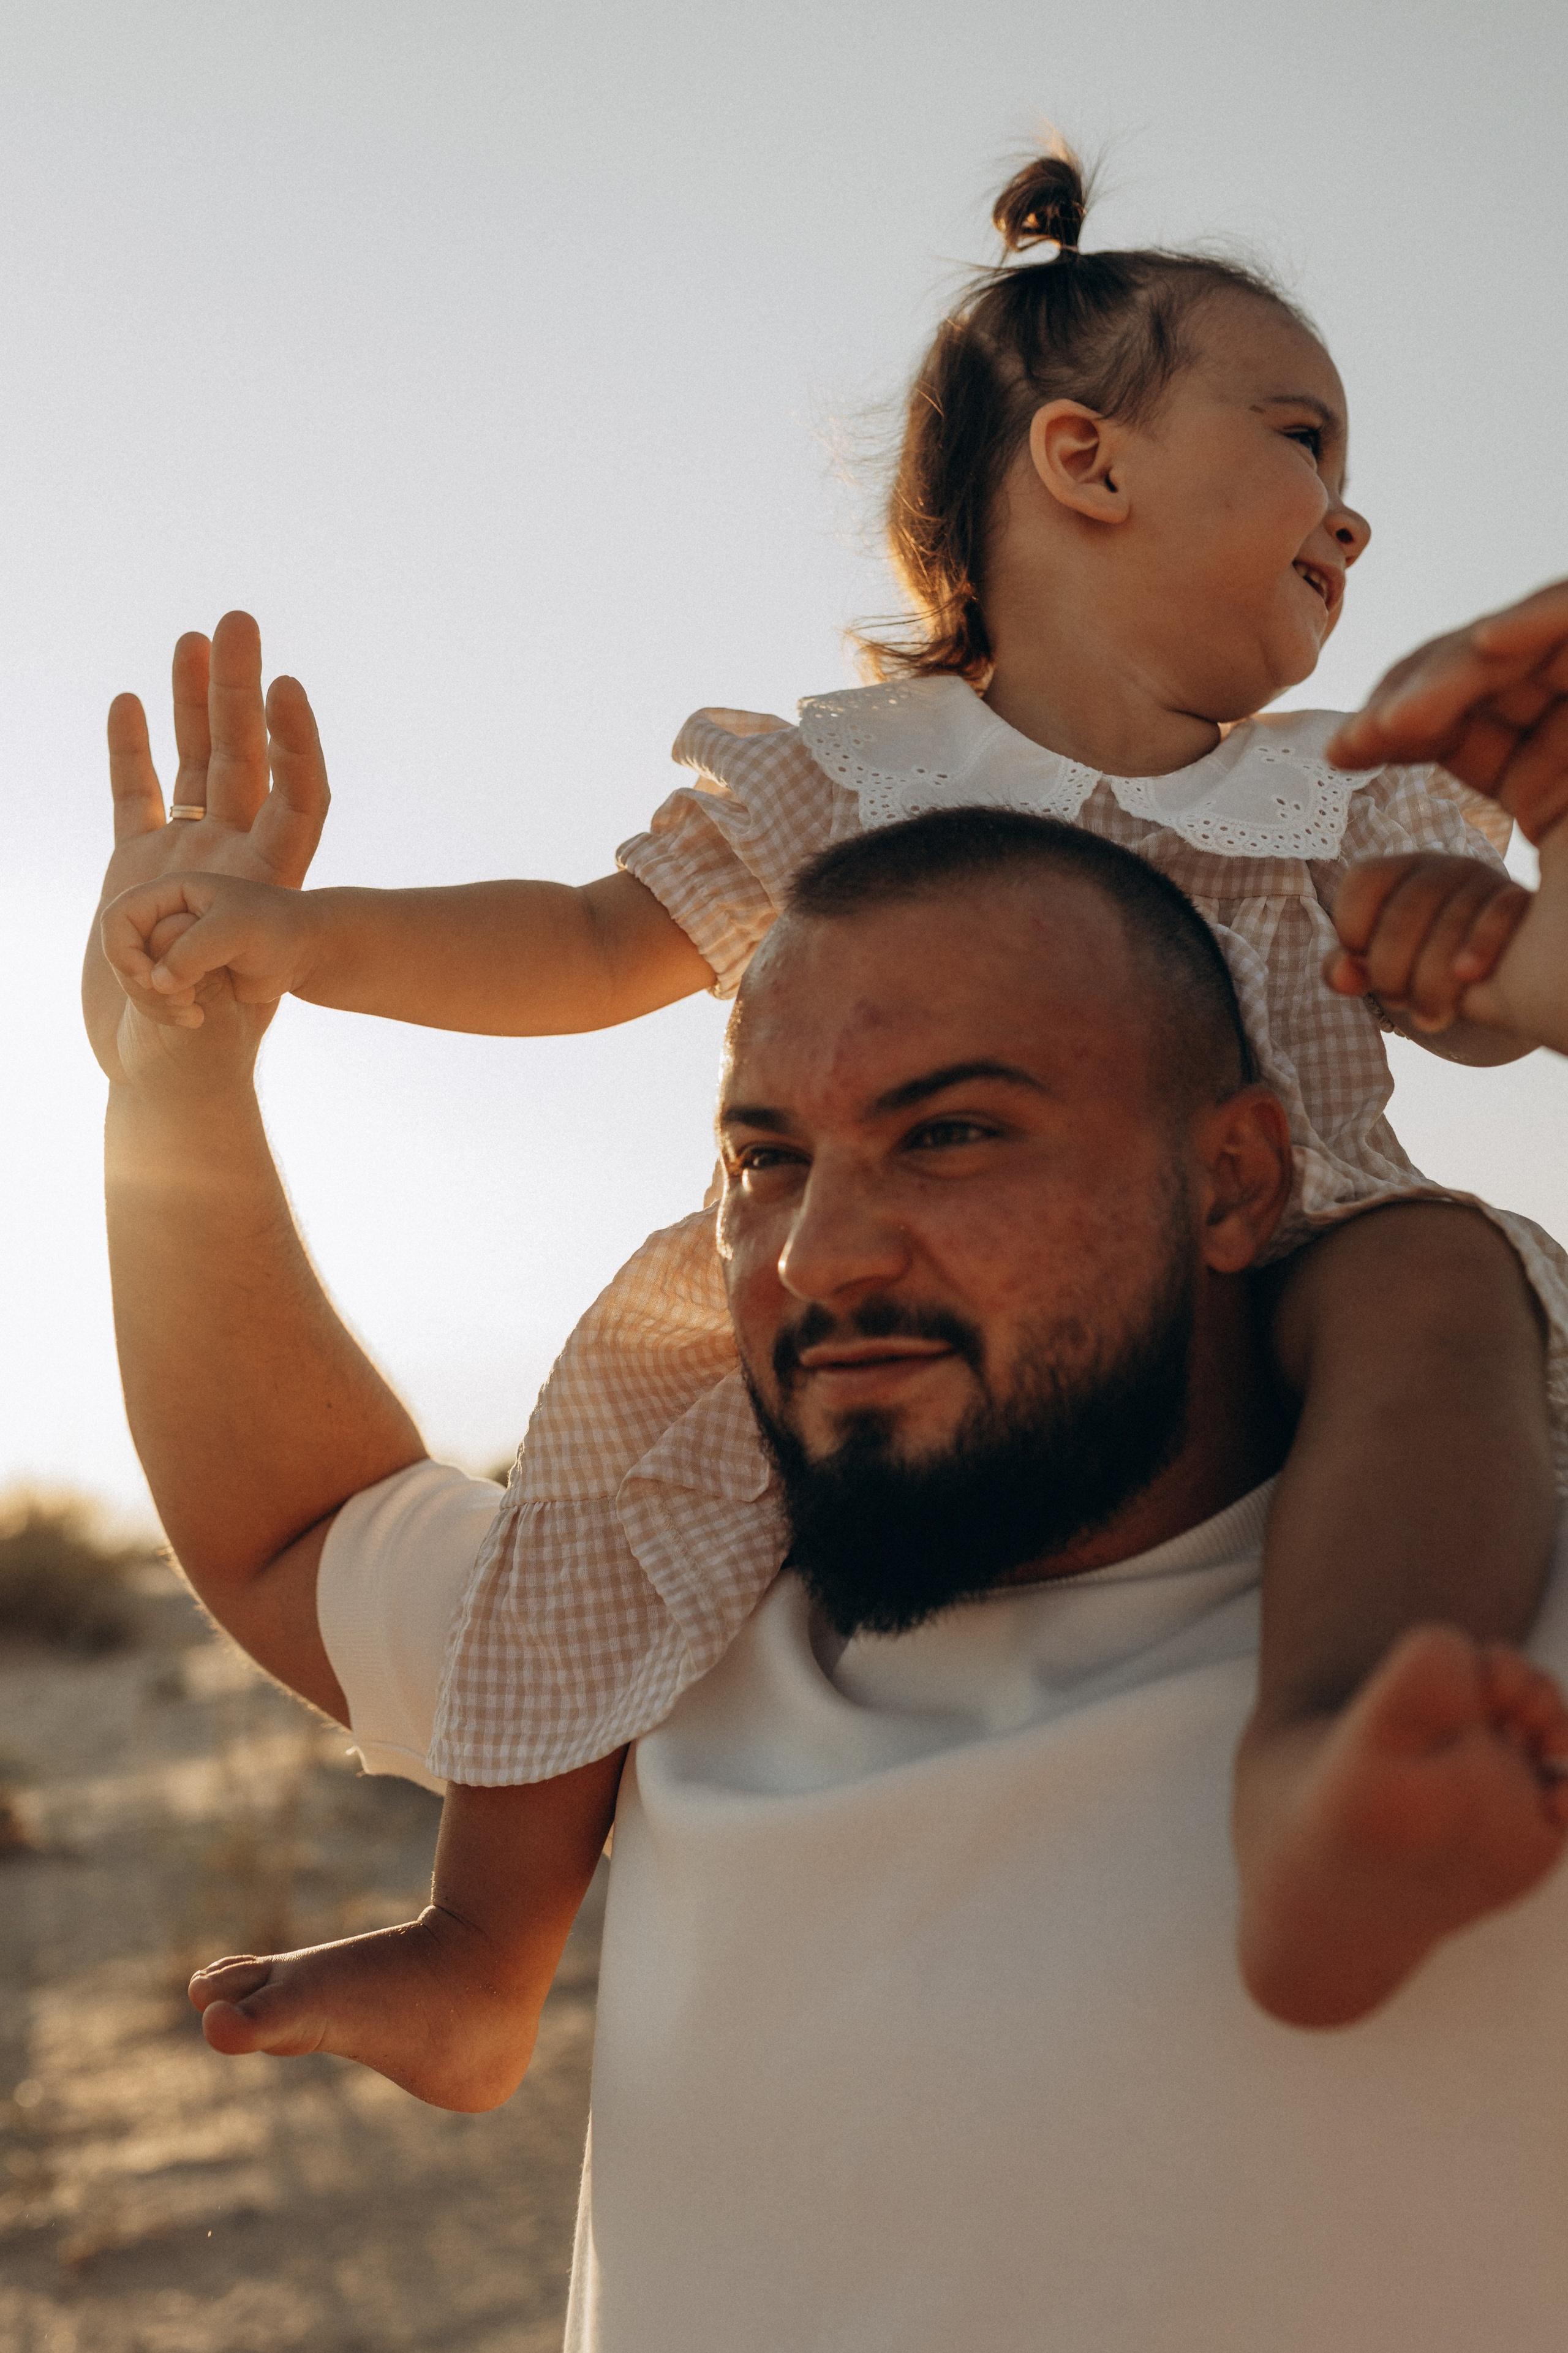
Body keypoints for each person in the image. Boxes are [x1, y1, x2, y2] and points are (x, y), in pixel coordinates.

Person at [96, 148, 1568, 2079]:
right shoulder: (856, 776)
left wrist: (1535, 865)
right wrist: (291, 947)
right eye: (1301, 436)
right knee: (644, 1461)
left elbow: (1515, 997)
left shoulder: (1352, 796)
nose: (1352, 512)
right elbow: (586, 939)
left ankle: (1326, 1773)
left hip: (1314, 1249)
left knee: (1440, 1285)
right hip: (910, 1340)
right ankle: (486, 1948)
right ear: (1085, 462)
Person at [83, 584, 1568, 2349]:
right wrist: (176, 1066)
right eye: (768, 1157)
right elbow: (294, 1530)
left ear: (1245, 1176)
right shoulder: (671, 1594)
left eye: (952, 1132)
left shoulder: (1483, 1639)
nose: (819, 1253)